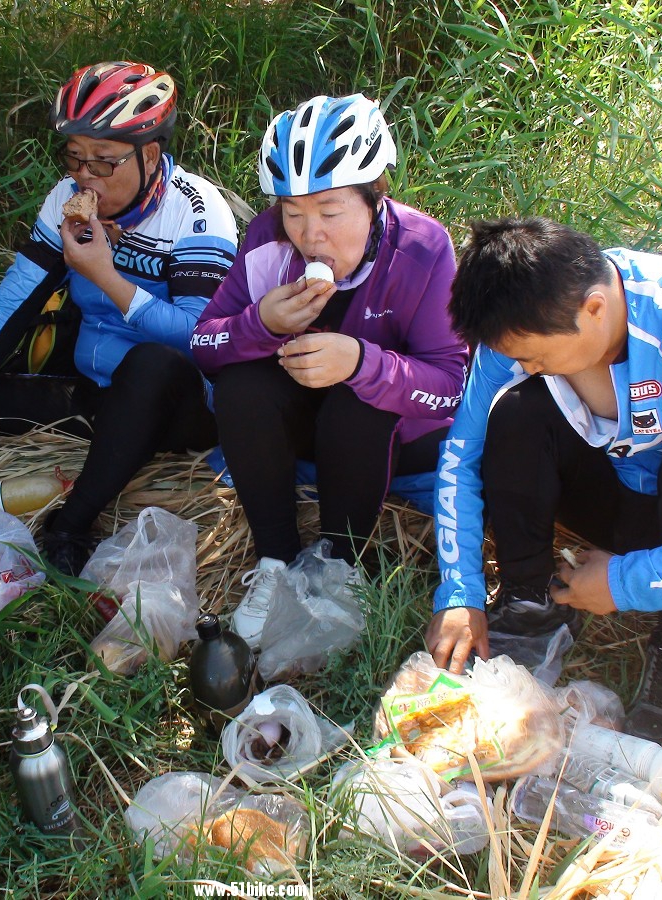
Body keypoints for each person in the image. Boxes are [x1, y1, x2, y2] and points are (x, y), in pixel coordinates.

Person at [427, 217, 662, 741]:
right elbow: (460, 457)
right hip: (610, 492)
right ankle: (530, 603)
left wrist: (622, 584)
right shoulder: (523, 324)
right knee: (514, 410)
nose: (529, 366)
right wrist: (459, 591)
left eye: (536, 356)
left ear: (595, 311)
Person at [0, 61, 238, 574]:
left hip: (174, 405)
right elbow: (13, 300)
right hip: (94, 392)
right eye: (75, 158)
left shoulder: (197, 211)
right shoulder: (64, 200)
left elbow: (199, 338)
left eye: (104, 162)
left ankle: (70, 526)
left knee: (152, 363)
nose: (85, 176)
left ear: (152, 155)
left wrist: (107, 277)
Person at [192, 94, 469, 649]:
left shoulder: (421, 248)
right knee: (242, 386)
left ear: (376, 197)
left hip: (381, 438)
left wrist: (363, 363)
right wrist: (259, 323)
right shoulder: (267, 241)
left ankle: (341, 570)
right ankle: (276, 560)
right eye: (293, 212)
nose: (310, 234)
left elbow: (451, 386)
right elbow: (204, 346)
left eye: (330, 211)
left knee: (360, 401)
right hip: (296, 424)